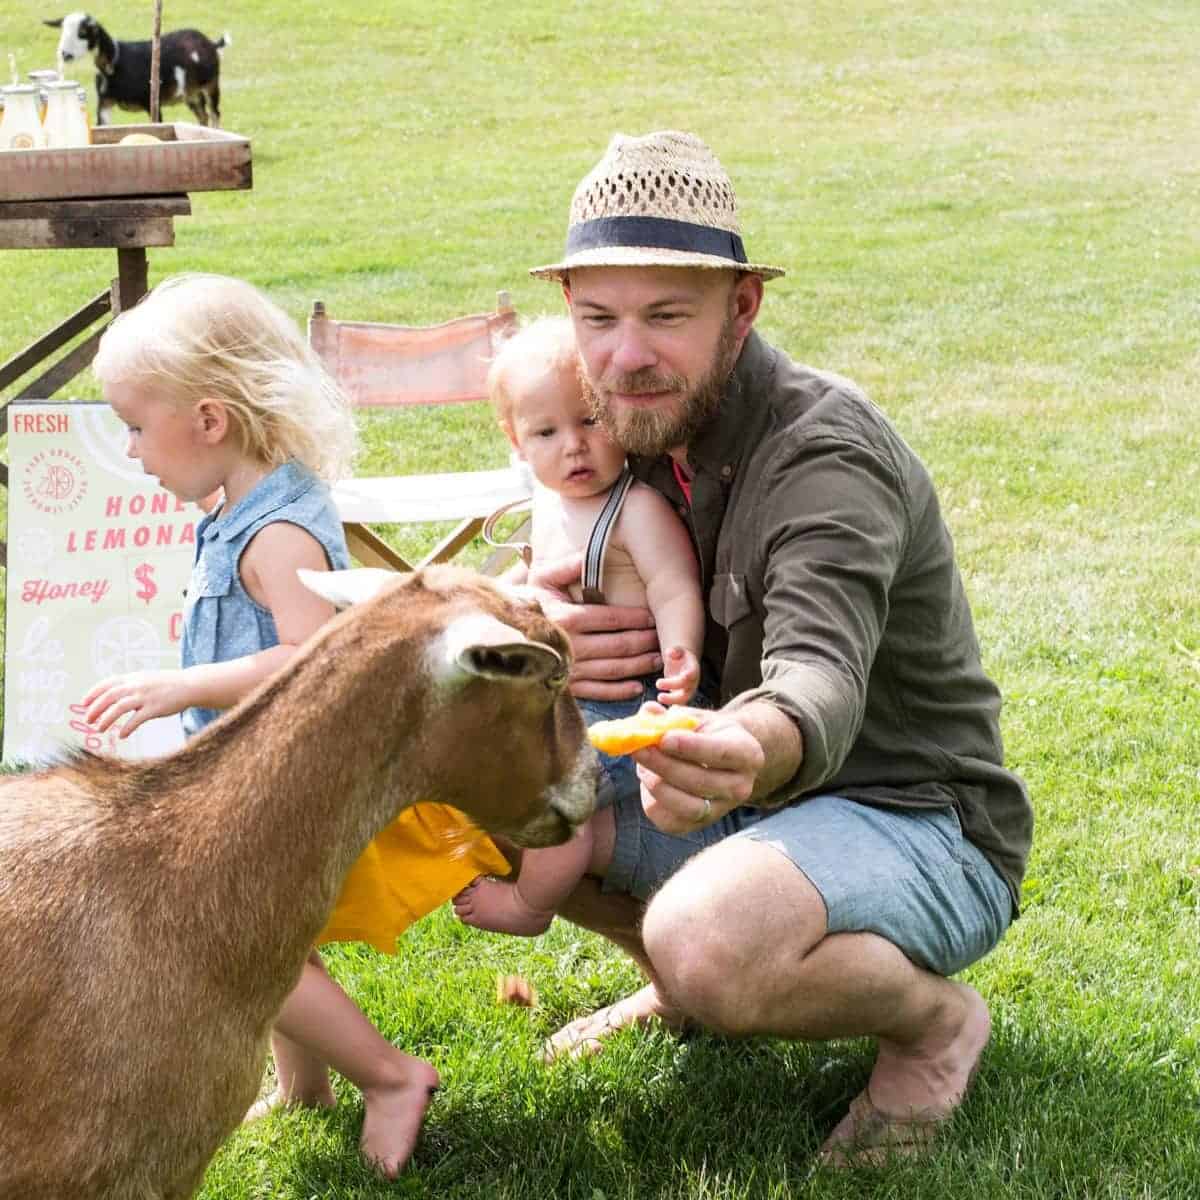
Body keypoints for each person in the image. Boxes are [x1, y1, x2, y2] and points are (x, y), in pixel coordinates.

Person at [520, 131, 1034, 1168]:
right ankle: (686, 992)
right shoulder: (625, 433)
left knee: (708, 935)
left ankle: (932, 1027)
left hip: (917, 818)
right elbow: (540, 569)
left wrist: (750, 745)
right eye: (598, 319)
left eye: (667, 315)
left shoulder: (823, 455)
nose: (626, 355)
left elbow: (819, 673)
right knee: (496, 801)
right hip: (758, 812)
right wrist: (536, 630)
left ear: (741, 308)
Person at [82, 273, 510, 1178]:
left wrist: (178, 685)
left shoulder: (275, 534)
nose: (129, 448)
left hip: (283, 773)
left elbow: (315, 662)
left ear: (208, 421)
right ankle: (306, 1086)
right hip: (252, 769)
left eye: (133, 422)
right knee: (274, 932)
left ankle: (392, 1077)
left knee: (233, 944)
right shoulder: (237, 509)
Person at [452, 316, 703, 937]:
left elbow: (674, 585)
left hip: (627, 707)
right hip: (564, 700)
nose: (574, 446)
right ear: (515, 439)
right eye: (546, 431)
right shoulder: (548, 504)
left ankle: (529, 905)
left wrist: (681, 651)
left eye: (589, 420)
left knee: (560, 797)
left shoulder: (635, 511)